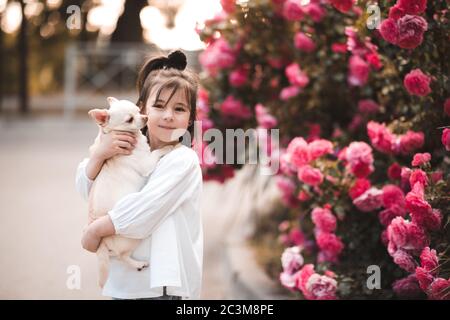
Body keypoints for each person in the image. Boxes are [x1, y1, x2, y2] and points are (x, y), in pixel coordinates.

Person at [75, 50, 203, 300]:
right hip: (122, 283)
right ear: (142, 110)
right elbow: (85, 188)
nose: (168, 115)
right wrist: (99, 155)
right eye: (159, 106)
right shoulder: (121, 144)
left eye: (179, 109)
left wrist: (95, 230)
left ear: (189, 120)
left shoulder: (182, 160)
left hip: (161, 287)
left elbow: (145, 210)